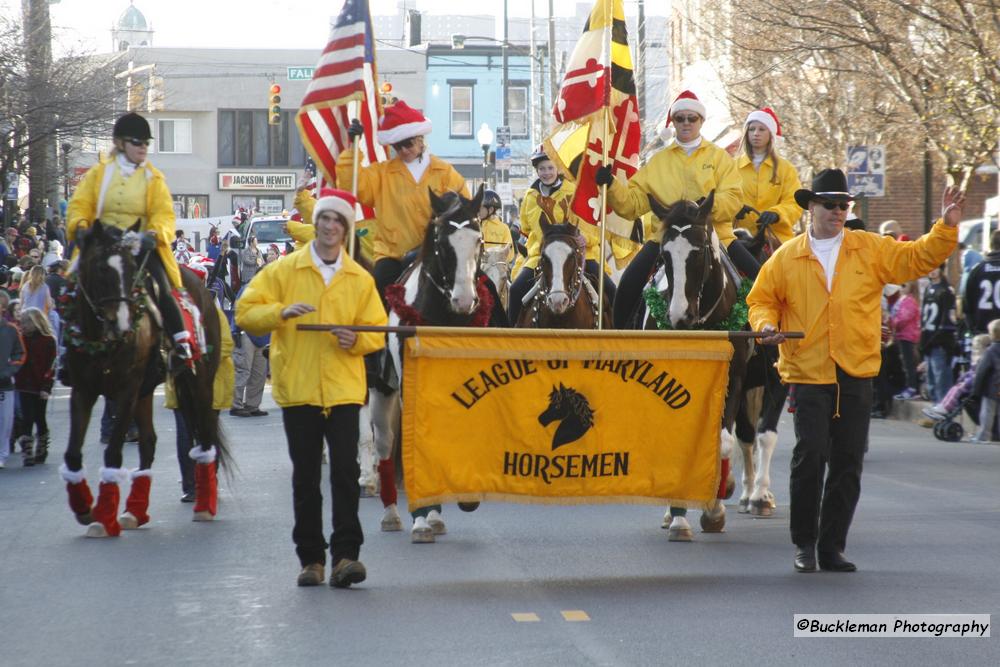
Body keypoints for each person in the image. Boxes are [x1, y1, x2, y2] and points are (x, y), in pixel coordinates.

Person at [748, 169, 963, 573]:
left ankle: (832, 546)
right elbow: (761, 301)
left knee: (848, 461)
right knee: (810, 455)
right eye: (830, 204)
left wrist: (945, 228)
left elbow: (916, 257)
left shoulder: (869, 247)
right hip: (809, 371)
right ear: (811, 207)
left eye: (844, 205)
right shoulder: (787, 256)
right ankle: (805, 544)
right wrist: (765, 327)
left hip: (856, 370)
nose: (838, 211)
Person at [236, 189, 388, 588]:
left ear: (345, 229)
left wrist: (355, 340)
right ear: (315, 224)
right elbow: (245, 312)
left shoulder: (358, 278)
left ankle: (345, 557)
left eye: (338, 221)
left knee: (344, 474)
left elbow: (377, 330)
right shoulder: (284, 271)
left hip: (342, 390)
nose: (330, 227)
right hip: (299, 388)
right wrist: (280, 312)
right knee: (305, 478)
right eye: (324, 220)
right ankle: (311, 560)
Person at [597, 90, 758, 328]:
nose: (685, 123)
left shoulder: (720, 158)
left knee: (761, 279)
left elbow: (733, 196)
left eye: (691, 118)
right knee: (626, 288)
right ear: (672, 122)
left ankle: (768, 355)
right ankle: (621, 346)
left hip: (715, 235)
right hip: (665, 237)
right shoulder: (658, 161)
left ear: (701, 121)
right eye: (679, 118)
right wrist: (610, 185)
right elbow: (631, 204)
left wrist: (706, 209)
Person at [65, 112, 196, 370]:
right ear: (121, 143)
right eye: (137, 142)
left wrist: (155, 234)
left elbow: (164, 213)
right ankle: (64, 351)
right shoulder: (98, 174)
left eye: (147, 143)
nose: (143, 147)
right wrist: (79, 227)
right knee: (70, 288)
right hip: (101, 244)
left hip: (138, 247)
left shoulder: (154, 178)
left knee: (161, 286)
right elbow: (80, 205)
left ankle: (179, 345)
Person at [335, 101, 469, 298]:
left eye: (408, 143)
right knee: (378, 288)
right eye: (398, 146)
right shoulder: (382, 173)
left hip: (437, 254)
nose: (404, 150)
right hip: (393, 255)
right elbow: (351, 185)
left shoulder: (445, 172)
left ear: (421, 139)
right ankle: (378, 329)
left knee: (482, 286)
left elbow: (464, 209)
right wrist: (353, 150)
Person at [510, 149, 616, 324]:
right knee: (515, 290)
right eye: (542, 168)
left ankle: (618, 335)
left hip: (579, 254)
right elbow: (527, 231)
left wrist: (585, 239)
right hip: (541, 256)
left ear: (558, 169)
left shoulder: (574, 192)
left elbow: (593, 227)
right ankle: (510, 339)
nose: (546, 173)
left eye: (550, 168)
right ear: (537, 170)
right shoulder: (529, 198)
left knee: (612, 291)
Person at [166, 304, 234, 502]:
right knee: (184, 437)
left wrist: (198, 359)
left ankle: (209, 482)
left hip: (210, 386)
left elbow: (226, 344)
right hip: (181, 386)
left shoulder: (214, 313)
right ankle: (190, 486)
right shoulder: (171, 311)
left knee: (209, 435)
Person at [734, 107, 803, 244]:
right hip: (739, 238)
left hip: (776, 239)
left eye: (761, 129)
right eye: (752, 129)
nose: (756, 133)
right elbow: (724, 197)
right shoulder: (732, 167)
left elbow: (794, 203)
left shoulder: (786, 169)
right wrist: (734, 209)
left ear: (771, 134)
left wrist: (777, 214)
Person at [13, 307, 56, 466]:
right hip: (24, 384)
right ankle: (27, 452)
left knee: (40, 417)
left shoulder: (48, 340)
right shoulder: (20, 339)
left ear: (37, 322)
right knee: (27, 418)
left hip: (40, 385)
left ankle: (42, 449)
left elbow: (51, 365)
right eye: (22, 322)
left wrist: (47, 386)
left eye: (27, 322)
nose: (23, 325)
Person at [923, 333, 990, 421]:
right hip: (971, 381)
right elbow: (971, 372)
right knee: (954, 388)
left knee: (958, 390)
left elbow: (976, 376)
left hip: (976, 384)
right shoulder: (977, 359)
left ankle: (947, 407)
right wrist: (963, 377)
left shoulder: (984, 359)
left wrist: (966, 381)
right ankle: (943, 405)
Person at [920, 266, 957, 404]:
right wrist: (923, 341)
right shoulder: (929, 289)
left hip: (940, 343)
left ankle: (944, 418)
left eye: (935, 267)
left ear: (941, 269)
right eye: (929, 267)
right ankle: (936, 416)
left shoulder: (946, 290)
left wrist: (935, 340)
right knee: (931, 384)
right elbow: (923, 317)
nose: (932, 270)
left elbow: (947, 321)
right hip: (928, 340)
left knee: (942, 383)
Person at [0, 291, 25, 469]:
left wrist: (8, 371)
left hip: (4, 384)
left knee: (4, 421)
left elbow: (20, 353)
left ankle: (1, 454)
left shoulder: (11, 330)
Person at [962, 230, 1000, 335]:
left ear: (991, 245)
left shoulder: (977, 270)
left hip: (983, 330)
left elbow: (967, 303)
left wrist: (973, 329)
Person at [890, 281, 922, 400]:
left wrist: (891, 322)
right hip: (901, 336)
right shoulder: (902, 300)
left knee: (909, 363)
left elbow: (903, 318)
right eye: (900, 285)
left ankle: (913, 387)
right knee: (906, 363)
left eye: (904, 285)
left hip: (908, 336)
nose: (901, 288)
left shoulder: (910, 301)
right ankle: (909, 386)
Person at [971, 319, 1000, 443]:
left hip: (993, 387)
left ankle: (984, 435)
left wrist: (976, 390)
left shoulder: (991, 350)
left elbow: (982, 371)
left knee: (987, 412)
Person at [479, 189, 514, 264]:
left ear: (491, 210)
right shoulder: (476, 225)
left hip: (496, 268)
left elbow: (510, 255)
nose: (478, 210)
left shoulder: (504, 228)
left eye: (481, 208)